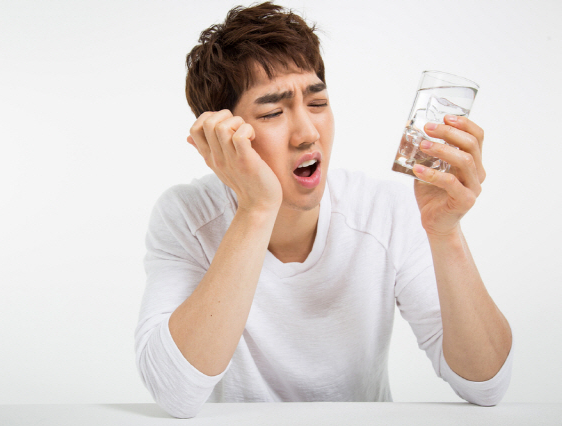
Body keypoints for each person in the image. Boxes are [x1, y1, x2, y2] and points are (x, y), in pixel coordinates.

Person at [134, 2, 513, 419]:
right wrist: (256, 208)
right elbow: (175, 394)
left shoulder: (385, 209)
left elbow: (486, 385)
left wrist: (445, 233)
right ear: (220, 136)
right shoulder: (186, 216)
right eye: (273, 112)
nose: (307, 133)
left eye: (317, 103)